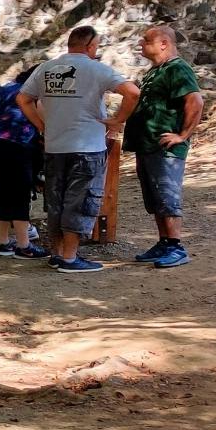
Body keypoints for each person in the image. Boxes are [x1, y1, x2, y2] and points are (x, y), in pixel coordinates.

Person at [19, 25, 140, 273]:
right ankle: (70, 258)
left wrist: (42, 125)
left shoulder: (46, 68)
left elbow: (23, 98)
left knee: (56, 201)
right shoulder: (96, 69)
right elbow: (132, 93)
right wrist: (118, 120)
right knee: (81, 200)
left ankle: (57, 253)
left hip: (55, 146)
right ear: (91, 46)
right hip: (87, 147)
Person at [124, 23, 202, 269]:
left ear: (163, 44)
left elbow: (195, 100)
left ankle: (176, 247)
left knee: (167, 196)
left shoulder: (177, 69)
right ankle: (164, 242)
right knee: (155, 197)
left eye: (146, 40)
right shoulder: (156, 71)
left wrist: (182, 135)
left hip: (164, 148)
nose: (140, 44)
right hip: (147, 145)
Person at [0, 64, 47, 258]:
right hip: (16, 144)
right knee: (20, 193)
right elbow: (42, 115)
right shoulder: (32, 91)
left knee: (3, 191)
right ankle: (24, 245)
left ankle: (4, 242)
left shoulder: (7, 87)